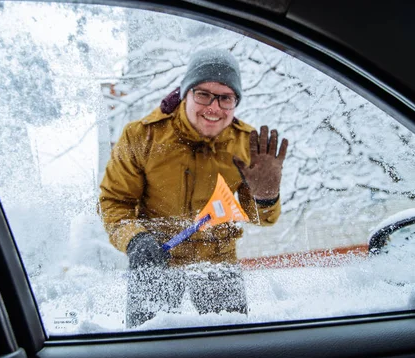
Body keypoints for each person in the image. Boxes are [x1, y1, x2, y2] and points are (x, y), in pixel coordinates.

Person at [98, 48, 288, 328]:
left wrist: (266, 197)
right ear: (186, 93)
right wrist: (135, 240)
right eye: (203, 94)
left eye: (226, 98)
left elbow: (262, 219)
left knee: (230, 349)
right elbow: (114, 202)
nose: (214, 107)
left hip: (218, 264)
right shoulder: (142, 136)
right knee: (148, 351)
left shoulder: (247, 144)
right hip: (156, 259)